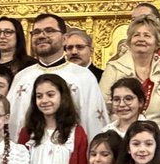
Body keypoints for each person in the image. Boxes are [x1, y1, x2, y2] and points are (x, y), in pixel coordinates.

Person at [9, 13, 107, 141]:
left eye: (49, 31)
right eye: (36, 32)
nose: (42, 36)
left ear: (64, 39)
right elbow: (12, 123)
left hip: (70, 155)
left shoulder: (84, 77)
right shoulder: (22, 77)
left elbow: (93, 125)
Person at [99, 15, 160, 127]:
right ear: (130, 41)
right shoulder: (113, 69)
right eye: (136, 35)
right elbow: (101, 108)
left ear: (157, 42)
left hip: (154, 139)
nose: (141, 39)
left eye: (147, 36)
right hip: (119, 137)